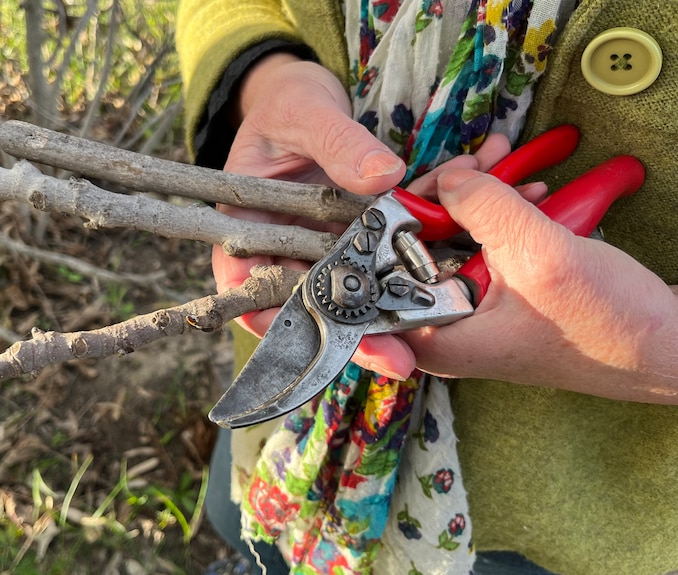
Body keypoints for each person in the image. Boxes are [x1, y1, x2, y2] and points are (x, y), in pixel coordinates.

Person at [176, 1, 678, 574]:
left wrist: (655, 350)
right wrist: (269, 78)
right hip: (292, 430)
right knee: (249, 533)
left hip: (576, 503)